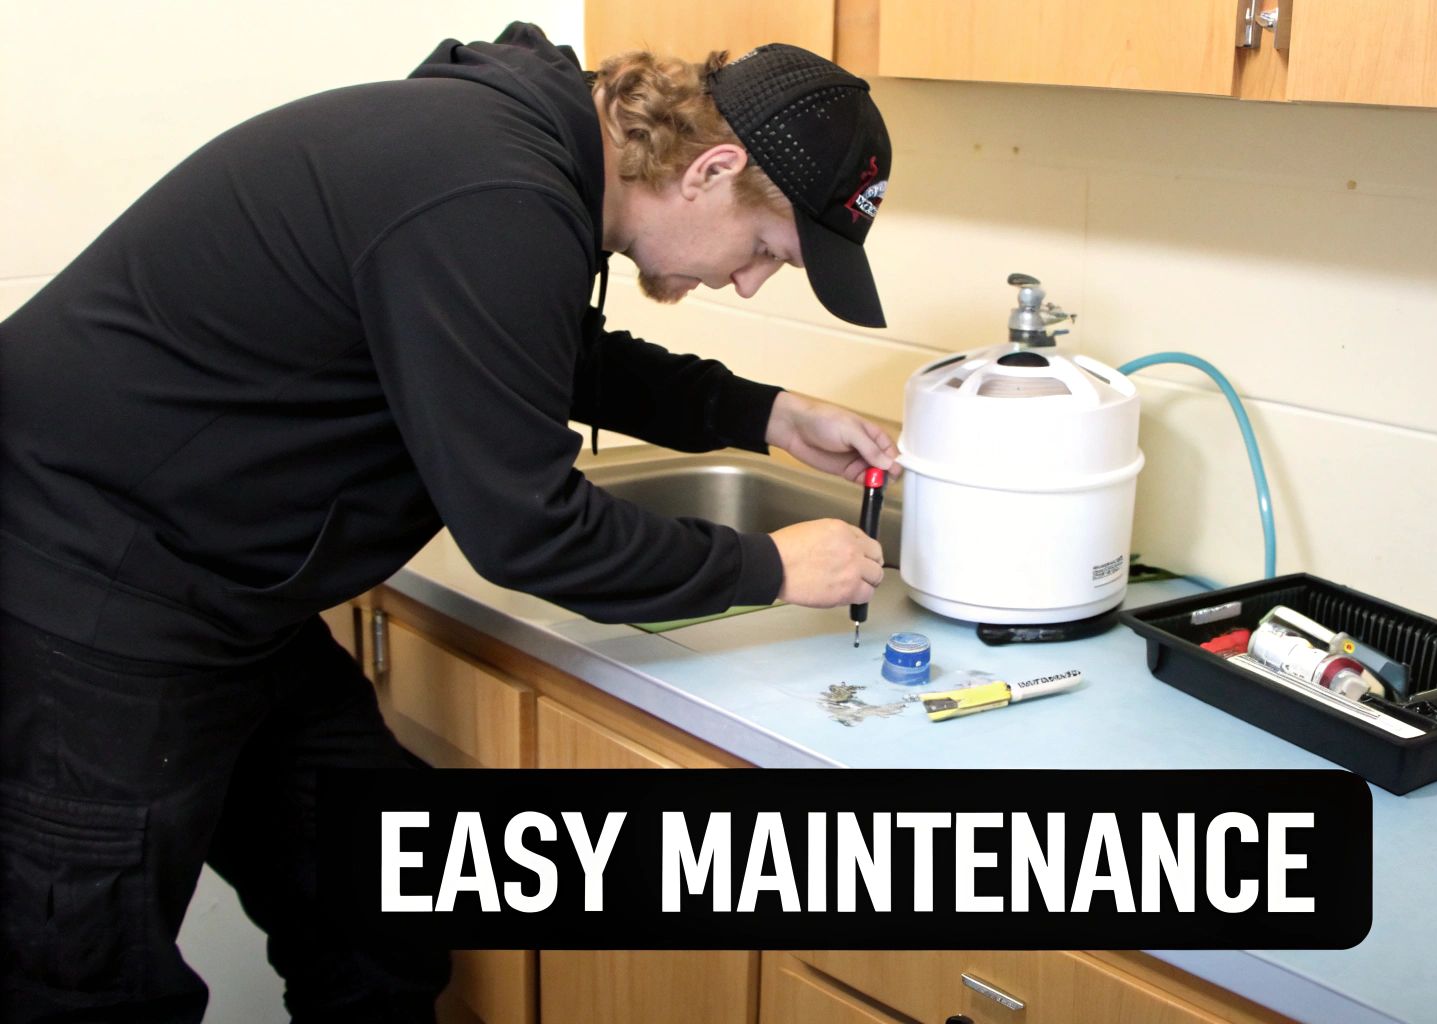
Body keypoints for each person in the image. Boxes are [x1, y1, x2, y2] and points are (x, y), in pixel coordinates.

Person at [0, 23, 894, 1023]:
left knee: (385, 911)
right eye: (766, 249)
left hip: (226, 601)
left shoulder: (527, 157)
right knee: (84, 987)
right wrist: (768, 566)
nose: (747, 281)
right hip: (84, 595)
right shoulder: (490, 192)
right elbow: (532, 532)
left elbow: (542, 349)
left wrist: (760, 414)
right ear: (711, 170)